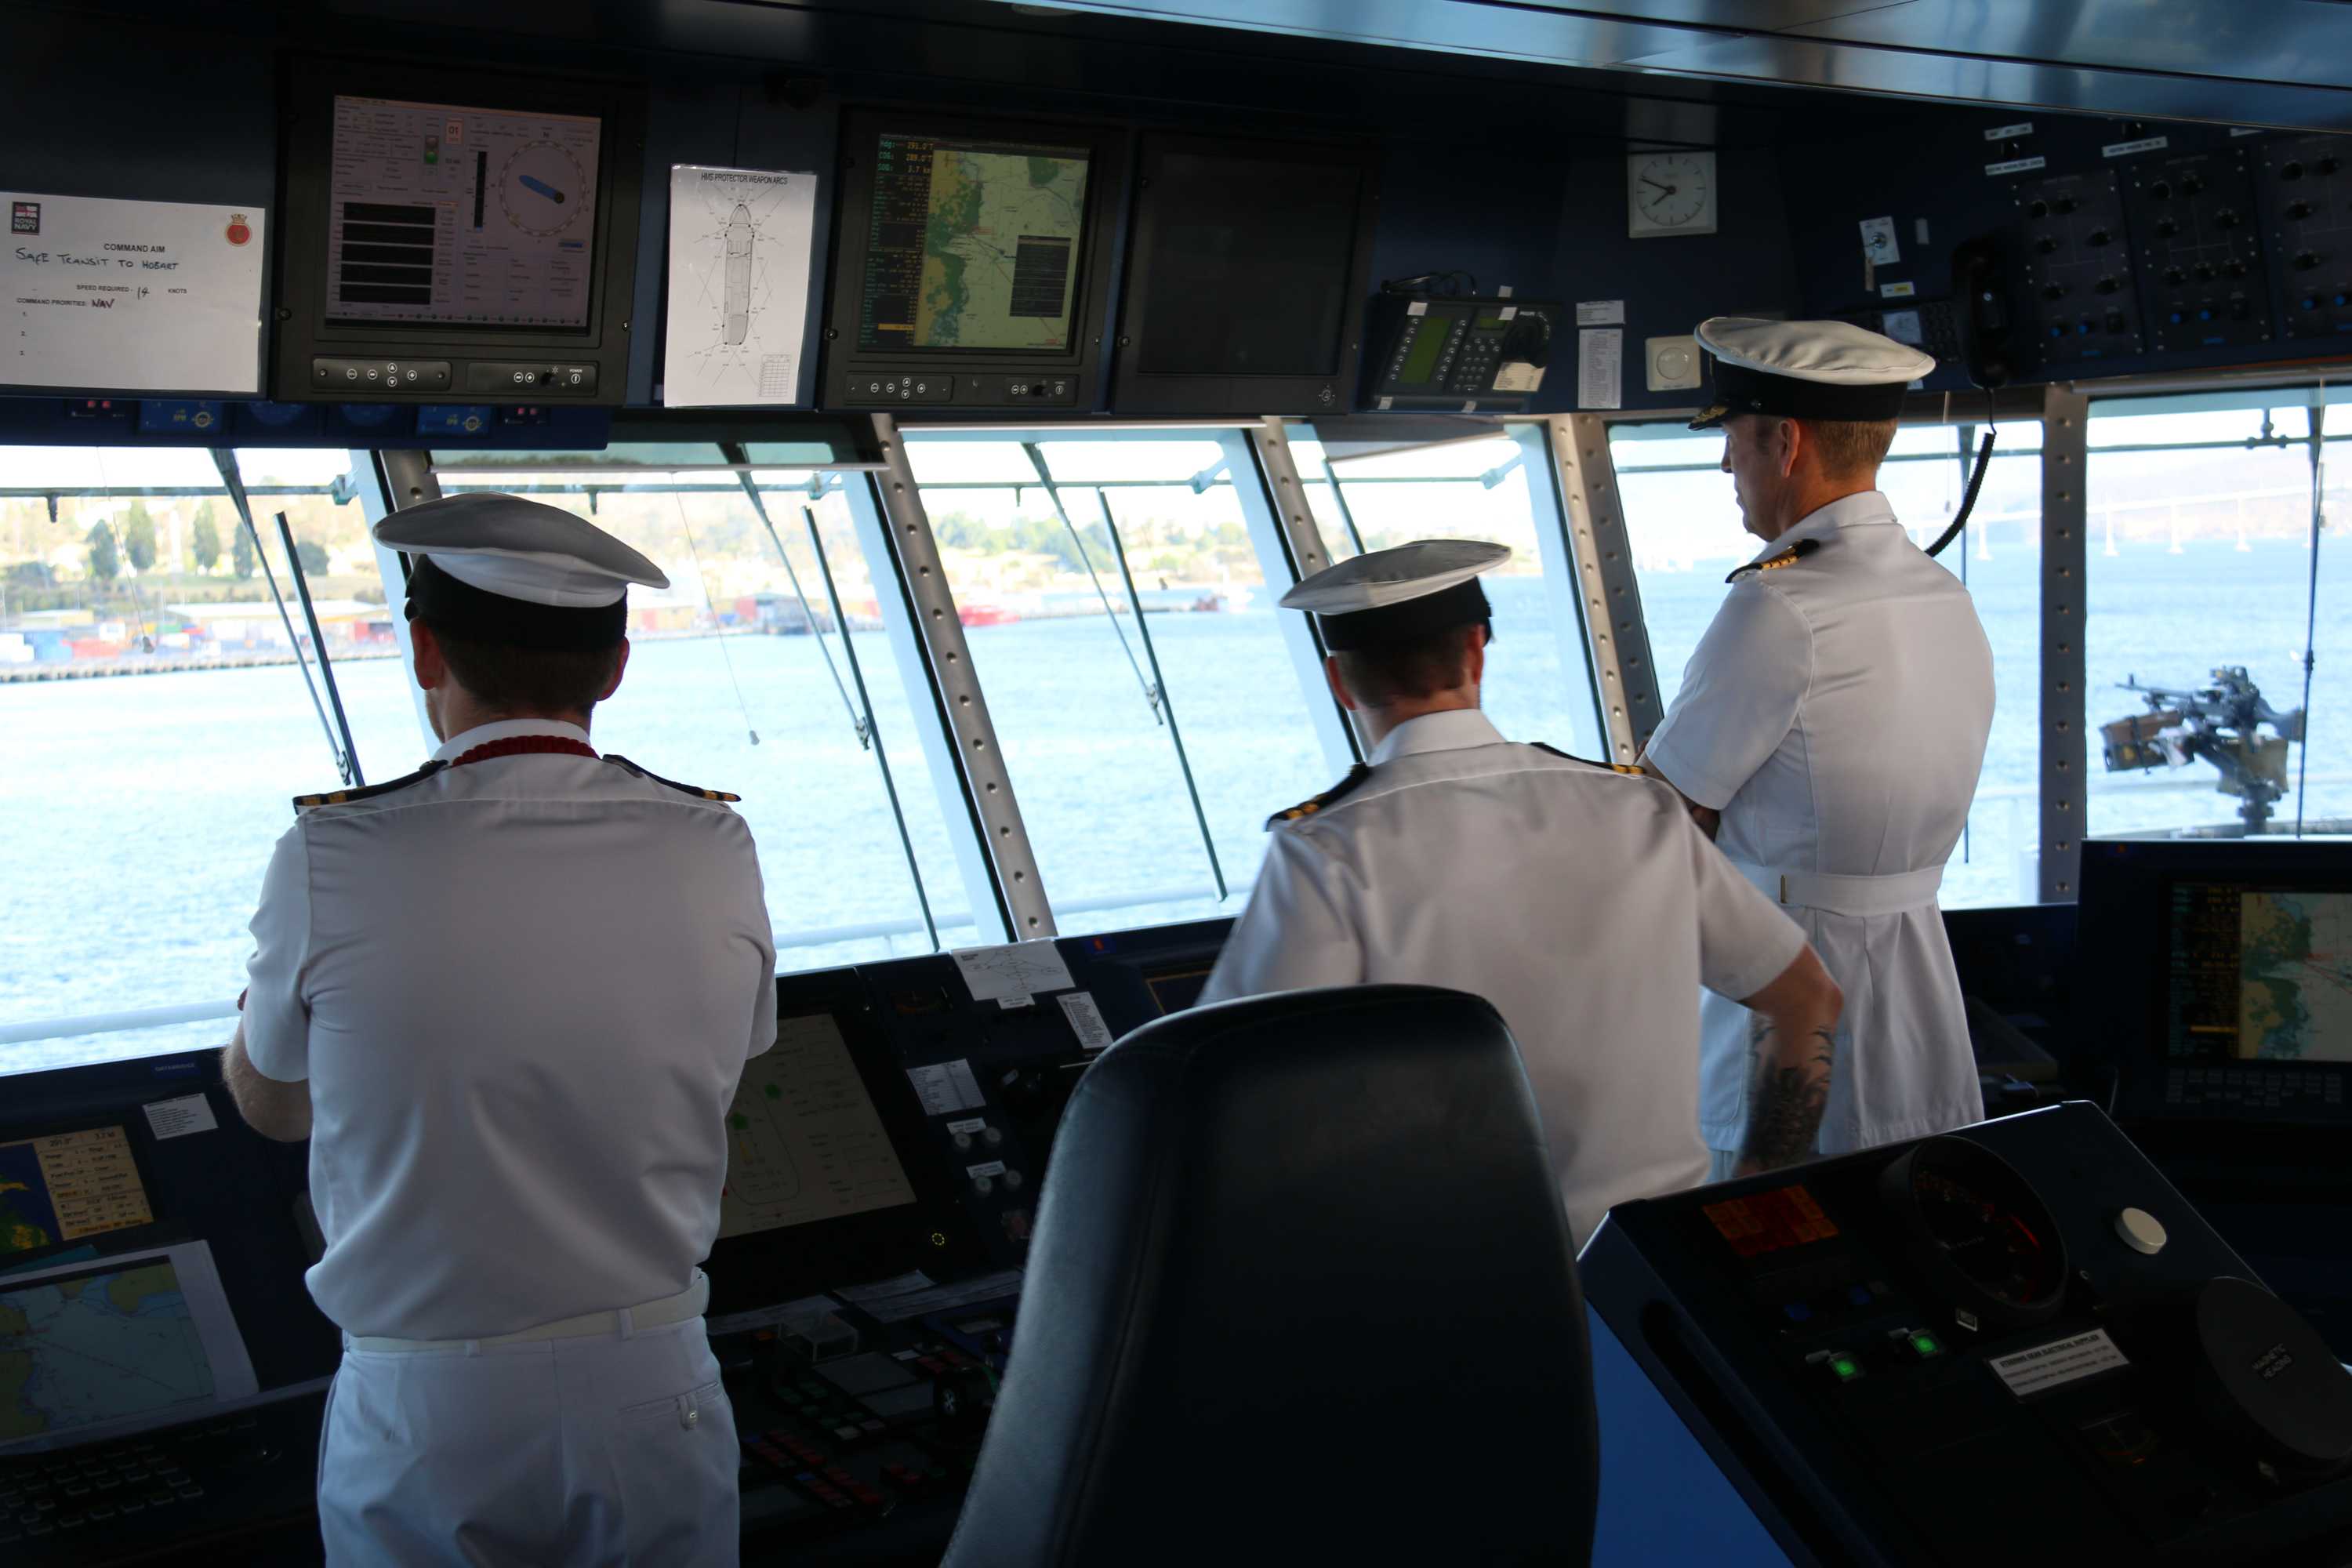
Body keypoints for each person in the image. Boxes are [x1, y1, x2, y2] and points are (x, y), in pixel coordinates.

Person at [220, 492, 776, 1566]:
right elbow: (730, 1060)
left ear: (427, 650)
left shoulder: (335, 857)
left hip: (433, 1402)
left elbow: (273, 1102)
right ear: (614, 668)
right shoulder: (717, 844)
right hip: (657, 1383)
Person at [1199, 539, 1844, 1246]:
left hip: (1466, 1280)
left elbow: (1235, 1094)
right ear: (1476, 652)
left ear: (1339, 683)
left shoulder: (1327, 852)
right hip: (1661, 1263)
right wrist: (1750, 1203)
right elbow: (1807, 997)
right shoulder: (1641, 813)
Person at [1640, 317, 1996, 1181]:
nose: (1728, 464)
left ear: (1785, 441)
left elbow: (1659, 819)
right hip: (1919, 996)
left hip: (1793, 997)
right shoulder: (1944, 594)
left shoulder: (1780, 605)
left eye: (1733, 437)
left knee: (1768, 1247)